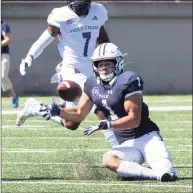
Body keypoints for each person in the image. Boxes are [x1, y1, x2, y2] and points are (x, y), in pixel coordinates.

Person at [16, 43, 177, 182]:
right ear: (94, 66)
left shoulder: (128, 80)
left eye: (108, 63)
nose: (104, 68)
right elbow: (79, 113)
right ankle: (153, 175)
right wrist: (58, 111)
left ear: (119, 63)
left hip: (146, 137)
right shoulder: (92, 84)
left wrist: (108, 124)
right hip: (127, 144)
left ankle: (160, 173)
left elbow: (134, 119)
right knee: (109, 160)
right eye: (100, 64)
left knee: (167, 170)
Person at [19, 0, 110, 128]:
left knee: (71, 124)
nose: (81, 10)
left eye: (84, 6)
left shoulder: (98, 11)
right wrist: (30, 56)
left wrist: (106, 61)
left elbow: (104, 40)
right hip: (71, 68)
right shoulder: (60, 15)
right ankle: (120, 142)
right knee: (99, 103)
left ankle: (37, 108)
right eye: (78, 7)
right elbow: (43, 40)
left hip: (91, 68)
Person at [1, 21, 19, 108]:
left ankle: (14, 96)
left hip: (3, 54)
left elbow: (8, 39)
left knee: (3, 76)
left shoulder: (4, 25)